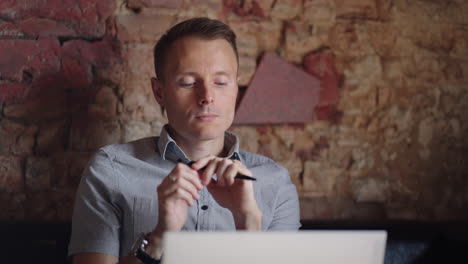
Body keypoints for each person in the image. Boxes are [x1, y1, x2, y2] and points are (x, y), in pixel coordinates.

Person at [69, 17, 301, 264]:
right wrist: (159, 238)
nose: (207, 97)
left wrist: (250, 226)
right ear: (159, 92)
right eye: (188, 83)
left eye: (221, 82)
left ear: (235, 87)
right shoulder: (110, 170)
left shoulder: (276, 183)